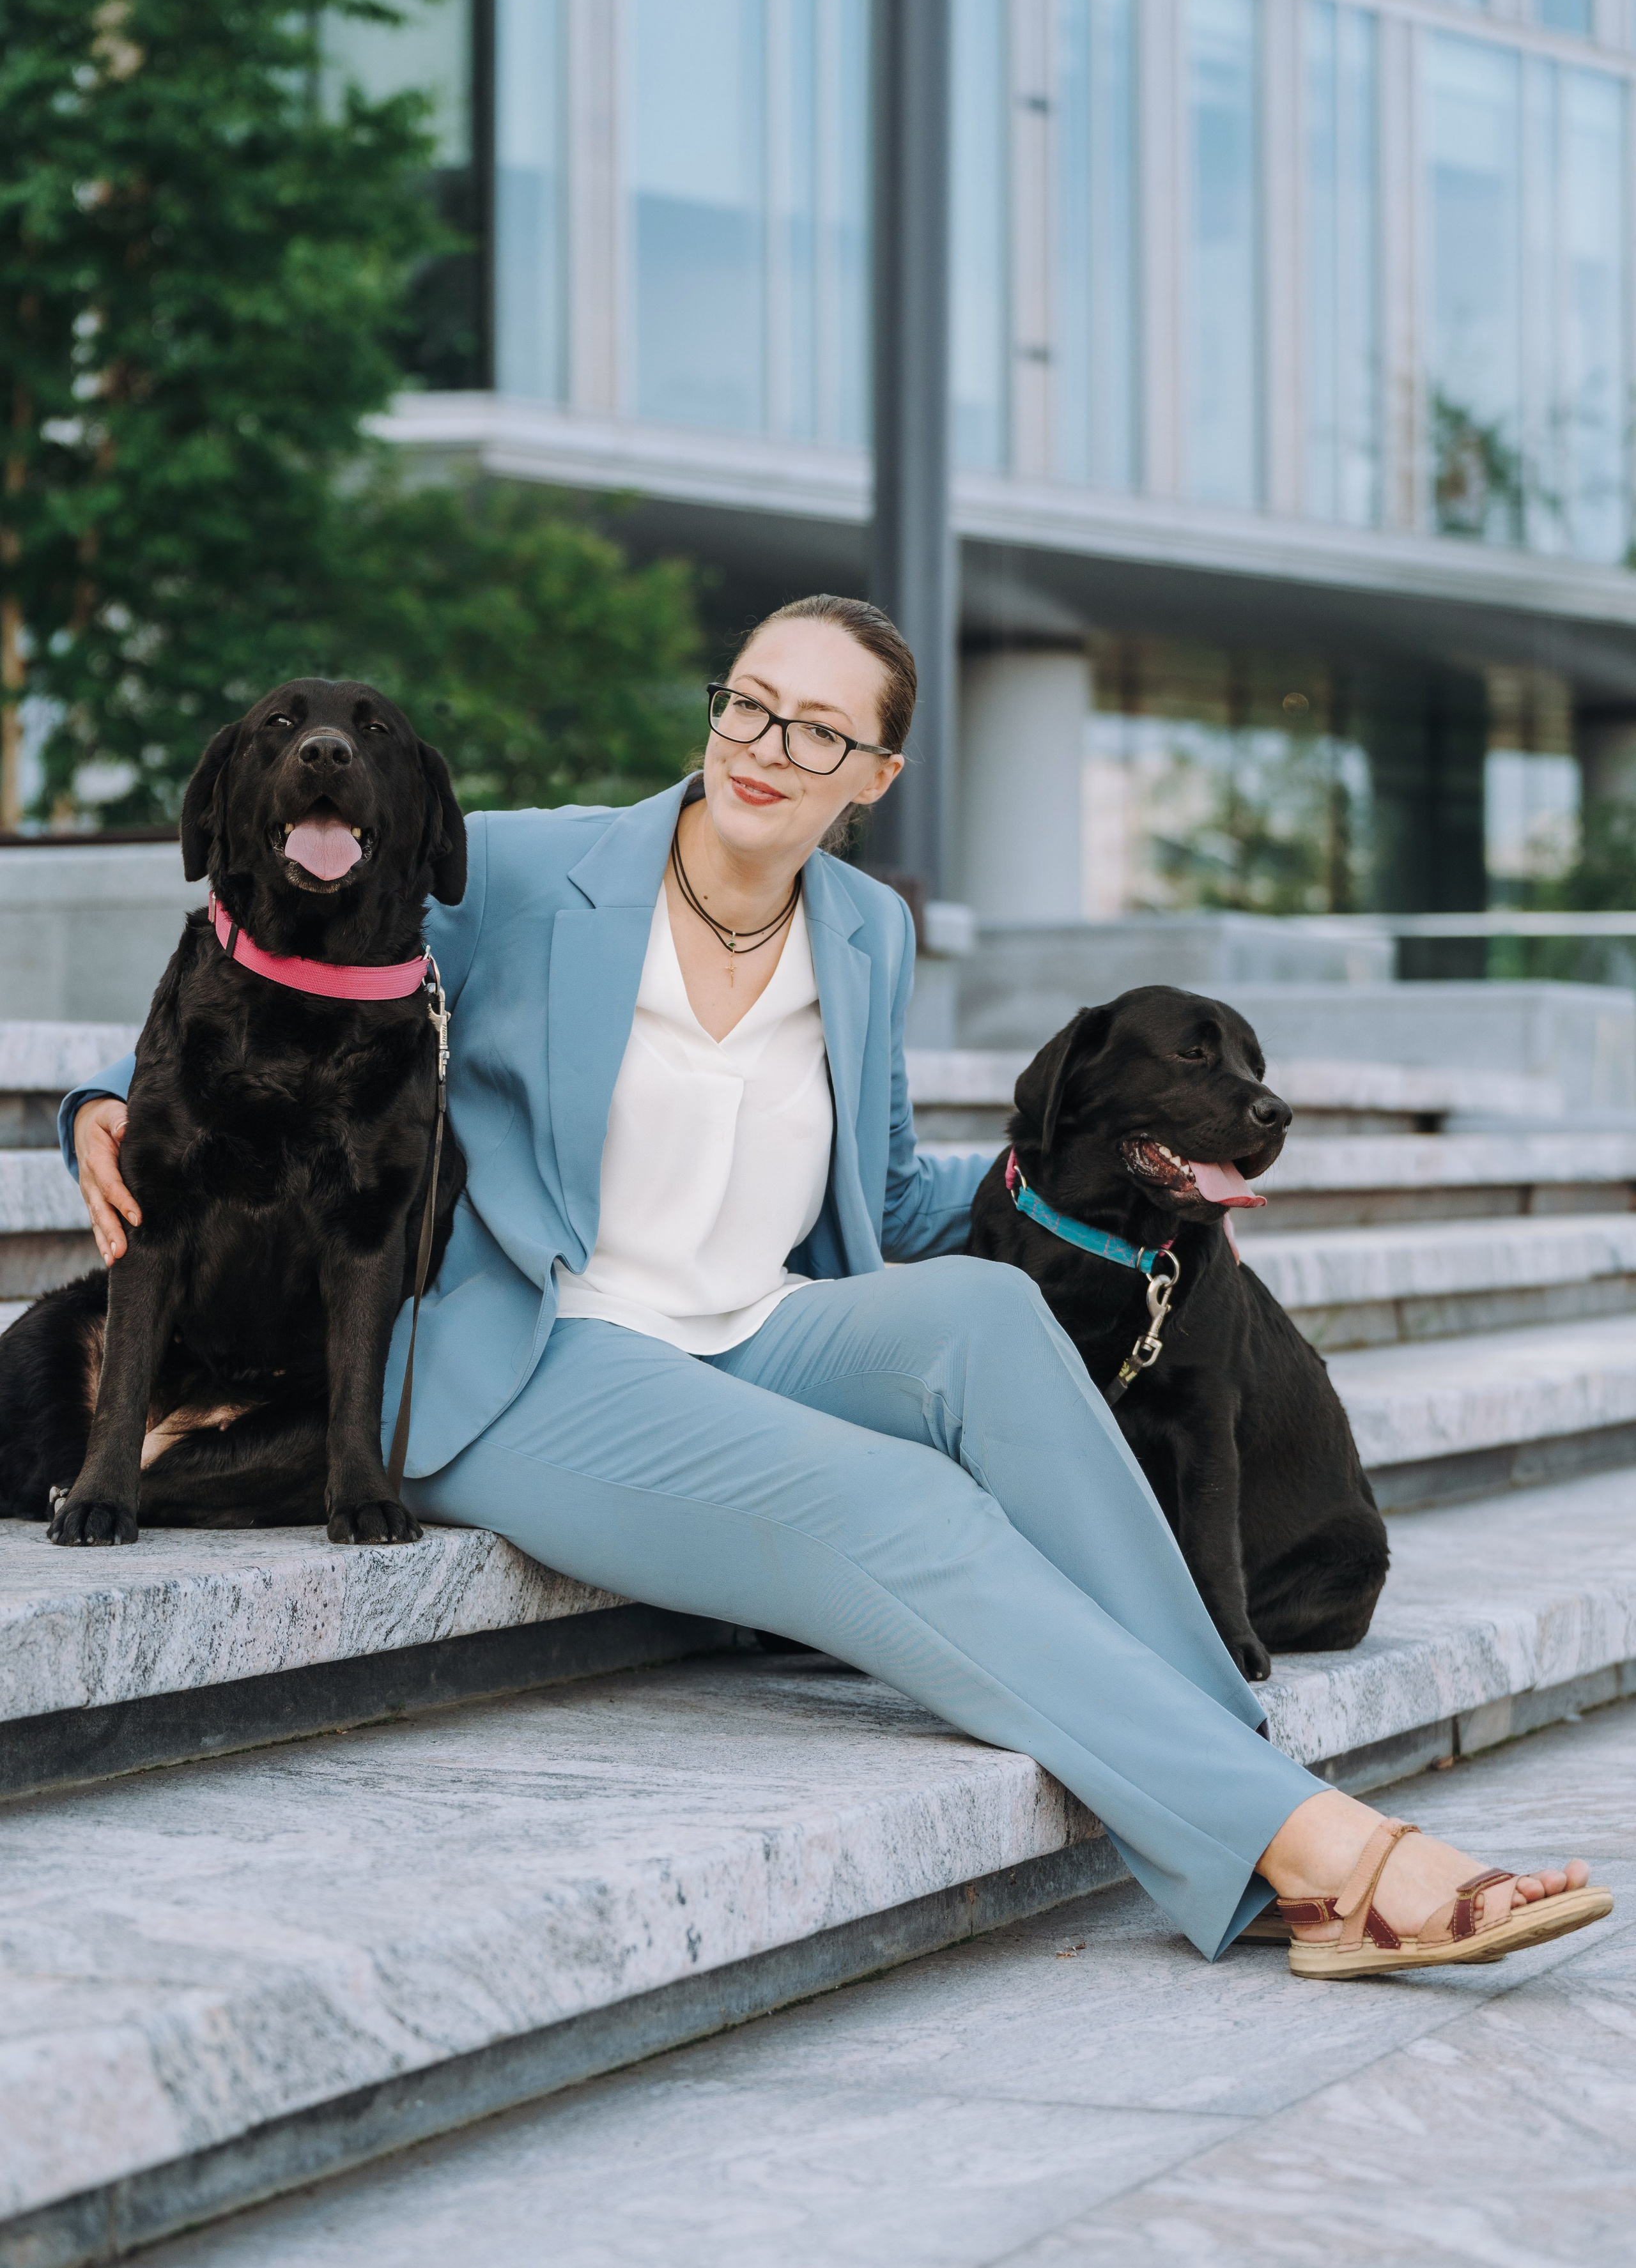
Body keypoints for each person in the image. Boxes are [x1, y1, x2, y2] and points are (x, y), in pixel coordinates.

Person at [66, 595, 1606, 1975]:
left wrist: (1102, 1176)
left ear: (871, 778)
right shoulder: (544, 872)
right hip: (544, 1363)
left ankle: (1226, 1763)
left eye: (817, 730)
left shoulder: (866, 928)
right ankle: (1322, 1852)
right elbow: (261, 951)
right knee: (911, 1509)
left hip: (760, 1325)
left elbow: (876, 1193)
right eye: (747, 703)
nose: (764, 747)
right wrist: (95, 1100)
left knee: (990, 1315)